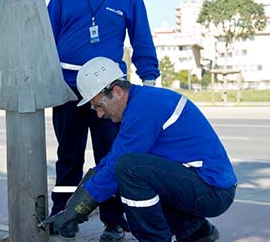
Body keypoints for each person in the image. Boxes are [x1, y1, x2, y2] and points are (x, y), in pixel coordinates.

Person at [45, 57, 237, 242]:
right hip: (203, 185)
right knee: (127, 170)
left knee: (129, 169)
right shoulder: (141, 102)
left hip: (212, 192)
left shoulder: (144, 109)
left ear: (118, 91)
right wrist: (71, 207)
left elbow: (116, 168)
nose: (100, 115)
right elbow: (110, 162)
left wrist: (77, 212)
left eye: (100, 106)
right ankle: (196, 232)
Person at [46, 0, 160, 241]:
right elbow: (45, 39)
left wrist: (148, 79)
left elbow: (142, 41)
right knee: (68, 156)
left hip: (110, 94)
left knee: (110, 157)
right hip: (67, 89)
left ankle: (114, 221)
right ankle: (61, 214)